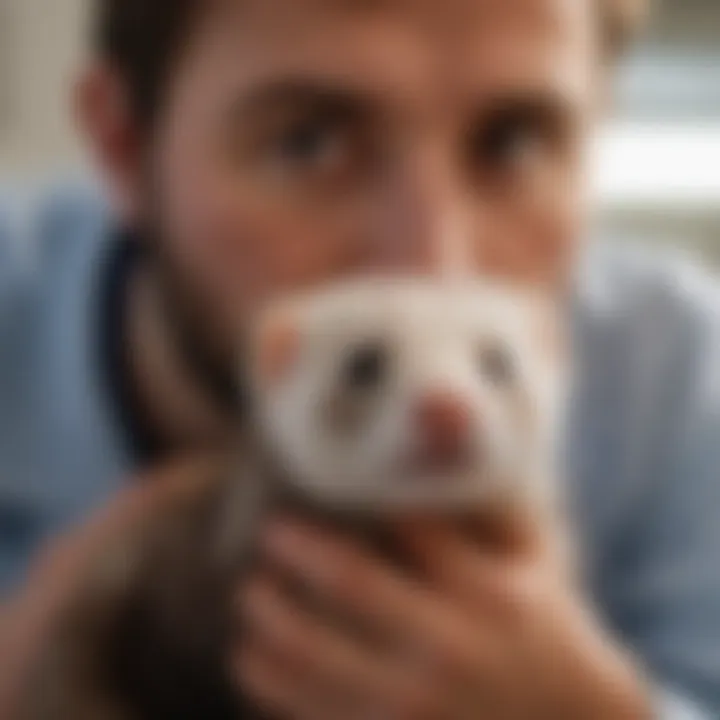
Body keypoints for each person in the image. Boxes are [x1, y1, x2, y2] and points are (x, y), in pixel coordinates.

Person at [2, 0, 720, 716]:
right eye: (307, 144)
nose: (433, 268)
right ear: (122, 143)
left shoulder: (677, 372)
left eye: (514, 145)